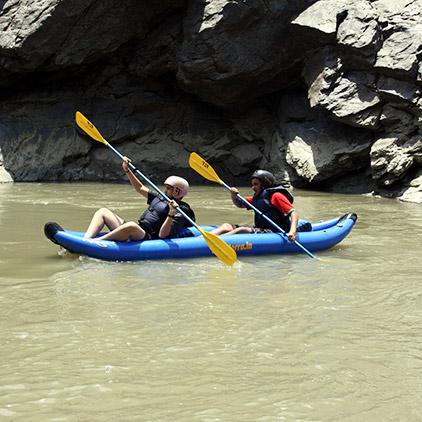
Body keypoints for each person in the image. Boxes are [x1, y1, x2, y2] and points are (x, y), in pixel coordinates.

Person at [83, 157, 195, 242]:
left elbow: (163, 235)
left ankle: (96, 243)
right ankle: (86, 240)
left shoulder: (181, 210)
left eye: (168, 188)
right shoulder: (161, 197)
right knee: (103, 212)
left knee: (131, 226)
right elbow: (139, 187)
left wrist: (171, 214)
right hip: (140, 229)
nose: (165, 190)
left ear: (177, 192)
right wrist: (127, 170)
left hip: (148, 237)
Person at [210, 170, 299, 242]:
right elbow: (240, 204)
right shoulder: (257, 198)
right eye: (252, 184)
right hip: (260, 229)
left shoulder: (276, 196)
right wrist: (233, 196)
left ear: (264, 184)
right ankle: (200, 239)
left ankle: (213, 243)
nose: (253, 187)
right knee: (226, 226)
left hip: (274, 231)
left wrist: (292, 232)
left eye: (256, 184)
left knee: (242, 231)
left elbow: (293, 213)